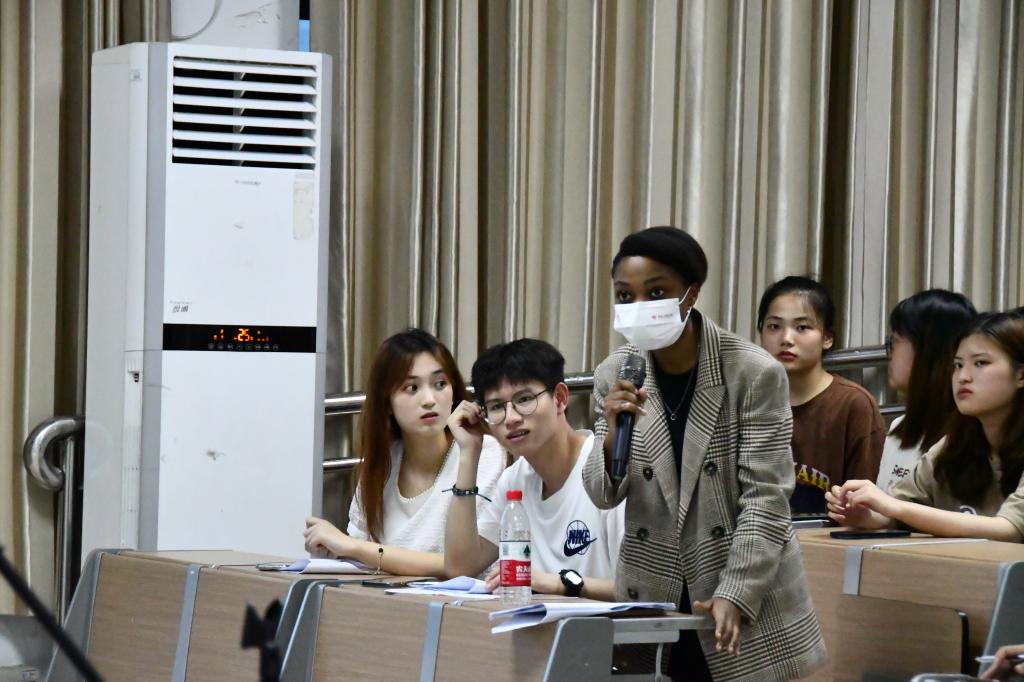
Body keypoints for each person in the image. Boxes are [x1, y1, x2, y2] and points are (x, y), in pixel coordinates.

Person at [583, 227, 826, 681]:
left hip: (738, 587)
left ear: (690, 293)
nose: (640, 306)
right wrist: (614, 429)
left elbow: (767, 498)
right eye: (625, 295)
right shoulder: (616, 372)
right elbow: (602, 493)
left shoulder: (752, 372)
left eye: (656, 292)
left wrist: (736, 591)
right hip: (654, 592)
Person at [303, 329, 505, 576]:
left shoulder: (483, 452)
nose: (429, 399)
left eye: (440, 384)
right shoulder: (383, 463)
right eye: (412, 388)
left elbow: (461, 566)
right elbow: (358, 558)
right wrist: (335, 548)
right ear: (387, 402)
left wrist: (354, 547)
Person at [444, 339, 624, 600]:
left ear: (560, 398)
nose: (511, 418)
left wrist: (561, 583)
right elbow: (460, 568)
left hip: (606, 626)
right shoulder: (515, 479)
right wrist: (469, 453)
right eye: (496, 407)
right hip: (537, 623)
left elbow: (643, 592)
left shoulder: (606, 470)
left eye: (525, 399)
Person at [827, 312, 1024, 542]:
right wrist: (867, 514)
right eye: (958, 365)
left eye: (980, 363)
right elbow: (899, 507)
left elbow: (1010, 529)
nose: (963, 376)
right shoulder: (956, 442)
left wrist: (893, 508)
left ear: (1021, 375)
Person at [757, 276, 885, 513]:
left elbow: (865, 506)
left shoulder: (853, 404)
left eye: (802, 327)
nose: (786, 339)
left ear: (827, 338)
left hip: (831, 534)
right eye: (774, 327)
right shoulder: (747, 400)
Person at [875, 290, 977, 491]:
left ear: (929, 349)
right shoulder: (899, 427)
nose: (889, 354)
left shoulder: (971, 437)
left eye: (894, 341)